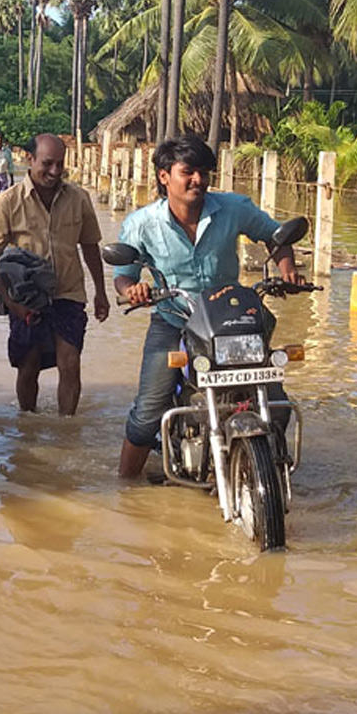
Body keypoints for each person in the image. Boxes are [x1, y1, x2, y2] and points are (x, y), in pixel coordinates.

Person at [113, 133, 303, 479]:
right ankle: (123, 491)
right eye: (188, 171)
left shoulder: (234, 208)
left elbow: (275, 237)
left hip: (231, 320)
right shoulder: (141, 224)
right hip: (174, 320)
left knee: (276, 403)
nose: (197, 180)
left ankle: (273, 470)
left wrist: (287, 269)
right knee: (148, 413)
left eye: (204, 172)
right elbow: (123, 276)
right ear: (164, 176)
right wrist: (135, 291)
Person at [0, 133, 110, 416]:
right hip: (27, 297)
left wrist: (101, 291)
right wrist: (10, 302)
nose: (55, 171)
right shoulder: (7, 202)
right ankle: (27, 424)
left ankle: (66, 429)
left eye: (60, 164)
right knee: (29, 365)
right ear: (30, 159)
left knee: (70, 362)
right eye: (47, 163)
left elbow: (89, 247)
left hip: (68, 293)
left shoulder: (79, 198)